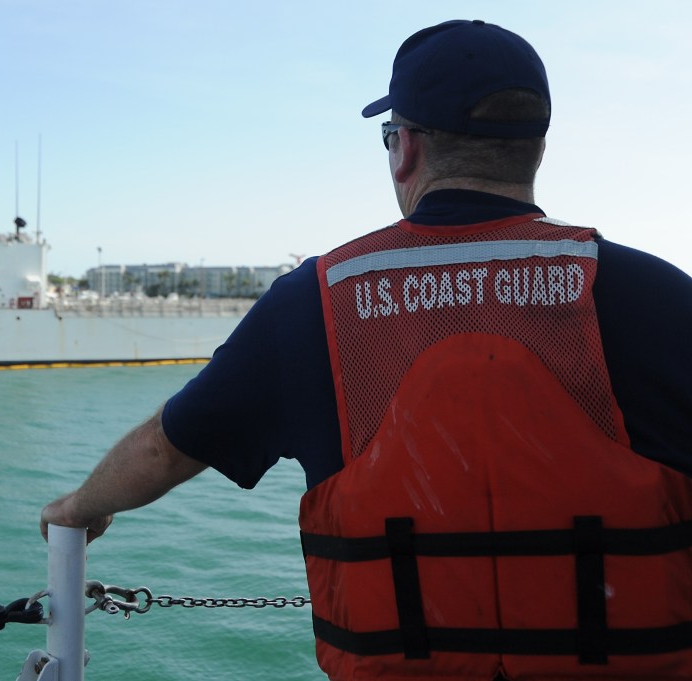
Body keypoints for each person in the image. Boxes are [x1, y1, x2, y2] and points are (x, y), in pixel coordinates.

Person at [41, 19, 692, 681]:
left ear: (405, 149)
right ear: (536, 149)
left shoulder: (313, 304)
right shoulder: (656, 296)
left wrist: (80, 507)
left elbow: (164, 447)